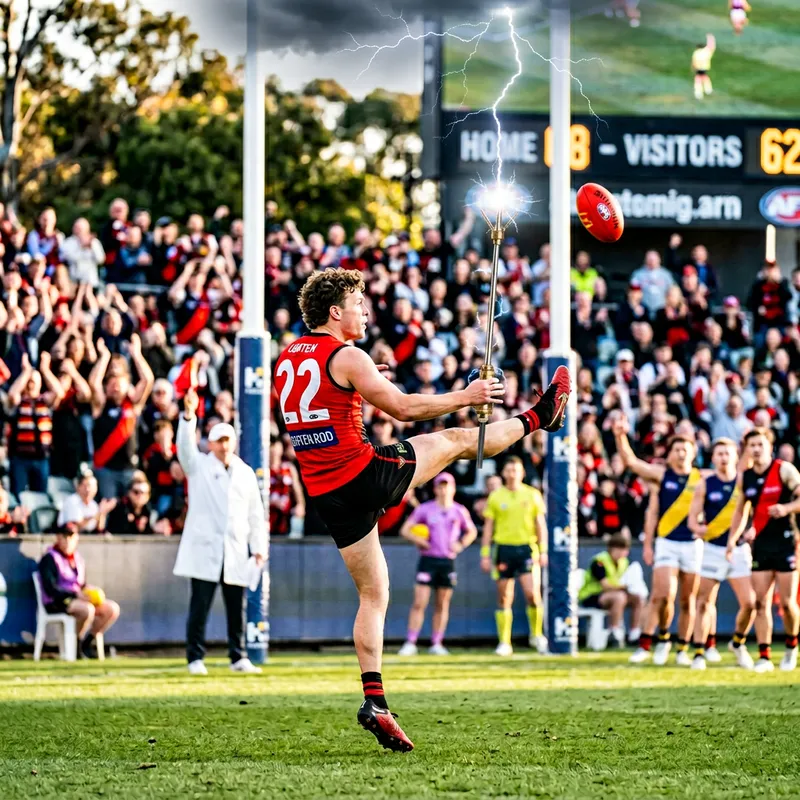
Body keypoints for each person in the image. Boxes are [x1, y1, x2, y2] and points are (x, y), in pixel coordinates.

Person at [273, 268, 570, 753]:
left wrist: (362, 381)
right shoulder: (347, 354)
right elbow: (405, 409)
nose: (364, 311)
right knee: (456, 438)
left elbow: (319, 406)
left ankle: (376, 701)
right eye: (358, 304)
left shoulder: (288, 356)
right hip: (363, 473)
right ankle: (542, 415)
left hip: (325, 492)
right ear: (335, 312)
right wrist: (466, 396)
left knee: (374, 594)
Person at [173, 387, 268, 676]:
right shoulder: (198, 466)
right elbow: (185, 450)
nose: (224, 445)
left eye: (228, 440)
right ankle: (195, 658)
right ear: (211, 444)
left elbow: (255, 514)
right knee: (199, 606)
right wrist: (188, 417)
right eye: (218, 440)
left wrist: (259, 547)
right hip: (205, 548)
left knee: (235, 608)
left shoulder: (245, 472)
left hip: (236, 549)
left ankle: (237, 656)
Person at [615, 416, 703, 666]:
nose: (681, 452)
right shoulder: (661, 475)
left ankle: (683, 649)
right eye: (677, 448)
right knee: (664, 595)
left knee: (688, 600)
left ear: (693, 452)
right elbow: (631, 462)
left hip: (693, 544)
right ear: (671, 453)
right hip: (667, 542)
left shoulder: (702, 478)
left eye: (685, 448)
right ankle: (662, 638)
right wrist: (621, 435)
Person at [727, 428, 800, 673]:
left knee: (788, 603)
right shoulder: (745, 477)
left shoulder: (784, 469)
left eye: (760, 444)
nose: (756, 449)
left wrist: (787, 508)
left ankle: (791, 647)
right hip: (760, 546)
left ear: (769, 446)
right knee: (760, 602)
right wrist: (733, 538)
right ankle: (765, 656)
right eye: (752, 445)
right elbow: (740, 511)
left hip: (786, 542)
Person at [687, 439, 755, 670]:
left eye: (727, 453)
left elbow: (755, 511)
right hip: (713, 549)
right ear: (713, 458)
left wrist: (754, 529)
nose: (724, 457)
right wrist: (699, 528)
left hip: (738, 549)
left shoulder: (744, 482)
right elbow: (692, 520)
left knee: (750, 603)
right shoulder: (706, 484)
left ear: (735, 456)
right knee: (704, 602)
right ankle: (698, 652)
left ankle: (738, 643)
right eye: (719, 454)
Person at [397, 472, 477, 657]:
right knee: (420, 602)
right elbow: (405, 530)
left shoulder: (459, 511)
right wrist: (420, 540)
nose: (443, 490)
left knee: (442, 604)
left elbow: (471, 531)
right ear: (435, 489)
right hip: (428, 560)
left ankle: (437, 642)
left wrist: (461, 544)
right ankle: (411, 641)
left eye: (446, 486)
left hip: (447, 561)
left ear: (453, 488)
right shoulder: (425, 509)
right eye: (440, 486)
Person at [480, 457, 549, 656]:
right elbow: (488, 528)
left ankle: (536, 635)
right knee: (504, 596)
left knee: (532, 594)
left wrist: (543, 550)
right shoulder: (496, 496)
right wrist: (485, 554)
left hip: (527, 548)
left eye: (516, 470)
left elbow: (540, 525)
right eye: (509, 470)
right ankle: (504, 642)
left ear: (522, 473)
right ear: (504, 473)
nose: (512, 474)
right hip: (504, 549)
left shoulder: (533, 495)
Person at [37, 525, 120, 658]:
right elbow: (50, 589)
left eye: (72, 537)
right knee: (87, 610)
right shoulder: (49, 558)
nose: (68, 540)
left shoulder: (77, 559)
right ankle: (76, 644)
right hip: (58, 601)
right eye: (65, 537)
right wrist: (75, 595)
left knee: (111, 609)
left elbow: (81, 585)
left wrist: (89, 592)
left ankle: (87, 643)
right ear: (58, 538)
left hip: (77, 599)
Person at [578, 532, 643, 646]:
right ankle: (614, 632)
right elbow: (605, 586)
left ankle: (635, 633)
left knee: (638, 598)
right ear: (611, 549)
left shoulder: (624, 562)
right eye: (619, 549)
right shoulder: (599, 561)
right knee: (619, 598)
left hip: (615, 594)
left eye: (625, 550)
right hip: (592, 597)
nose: (622, 553)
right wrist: (624, 587)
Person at [692, 34, 716, 101]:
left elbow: (693, 62)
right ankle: (708, 90)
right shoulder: (706, 52)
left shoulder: (696, 52)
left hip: (698, 68)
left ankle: (698, 93)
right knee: (705, 77)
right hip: (705, 67)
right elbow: (711, 47)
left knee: (698, 79)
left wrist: (693, 68)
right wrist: (711, 39)